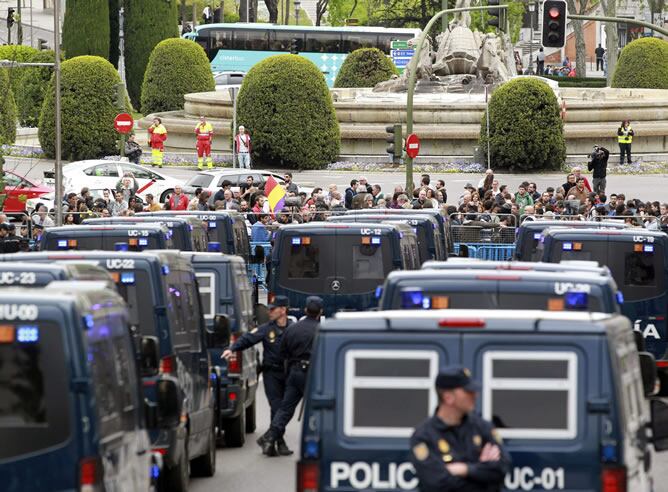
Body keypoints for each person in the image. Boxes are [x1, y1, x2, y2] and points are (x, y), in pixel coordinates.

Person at [410, 366, 510, 492]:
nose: (475, 395)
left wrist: (464, 469)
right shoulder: (423, 436)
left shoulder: (482, 427)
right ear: (448, 398)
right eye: (468, 391)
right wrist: (481, 472)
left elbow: (501, 469)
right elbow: (436, 484)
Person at [222, 296, 292, 453]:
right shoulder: (267, 328)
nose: (270, 312)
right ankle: (278, 442)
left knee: (284, 409)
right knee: (276, 407)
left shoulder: (293, 328)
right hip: (271, 373)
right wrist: (232, 349)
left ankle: (273, 440)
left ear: (283, 310)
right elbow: (248, 338)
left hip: (288, 373)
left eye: (273, 309)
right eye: (269, 309)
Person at [262, 296, 323, 457]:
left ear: (305, 310)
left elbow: (283, 352)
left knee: (285, 409)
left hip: (295, 372)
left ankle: (270, 436)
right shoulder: (322, 330)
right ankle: (317, 444)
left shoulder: (292, 329)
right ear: (320, 312)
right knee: (318, 409)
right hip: (313, 374)